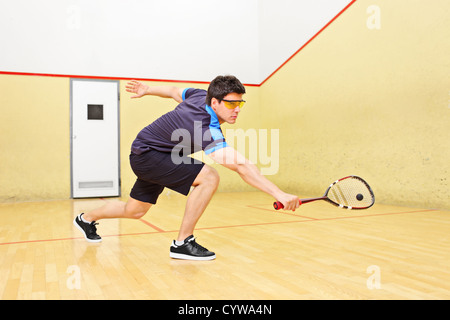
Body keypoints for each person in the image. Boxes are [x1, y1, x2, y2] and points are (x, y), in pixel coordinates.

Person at [73, 75, 300, 260]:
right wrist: (278, 193)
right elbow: (241, 165)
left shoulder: (199, 94)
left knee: (135, 211)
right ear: (214, 102)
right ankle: (182, 242)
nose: (237, 109)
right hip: (149, 155)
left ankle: (85, 219)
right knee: (209, 177)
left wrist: (148, 89)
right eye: (231, 103)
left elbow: (173, 91)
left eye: (240, 103)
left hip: (152, 154)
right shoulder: (205, 126)